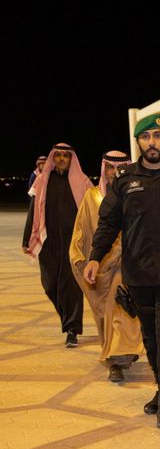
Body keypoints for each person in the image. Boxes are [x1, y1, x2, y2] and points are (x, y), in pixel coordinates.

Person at [83, 113, 160, 430]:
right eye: (146, 137)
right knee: (151, 338)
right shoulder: (125, 179)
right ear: (139, 143)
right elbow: (109, 223)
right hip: (139, 275)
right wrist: (95, 257)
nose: (152, 142)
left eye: (157, 136)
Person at [70, 151, 144, 382]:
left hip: (127, 264)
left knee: (121, 308)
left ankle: (118, 360)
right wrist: (79, 255)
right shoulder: (92, 197)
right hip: (101, 265)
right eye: (110, 168)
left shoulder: (135, 195)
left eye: (119, 168)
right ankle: (116, 356)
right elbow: (81, 229)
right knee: (105, 317)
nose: (114, 173)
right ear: (104, 169)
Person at [23, 144, 92, 347]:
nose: (62, 159)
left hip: (74, 243)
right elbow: (33, 210)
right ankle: (67, 319)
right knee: (50, 285)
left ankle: (72, 329)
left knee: (71, 287)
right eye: (58, 155)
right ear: (53, 158)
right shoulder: (42, 181)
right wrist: (26, 239)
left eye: (66, 155)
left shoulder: (83, 182)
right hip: (49, 241)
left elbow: (91, 212)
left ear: (71, 159)